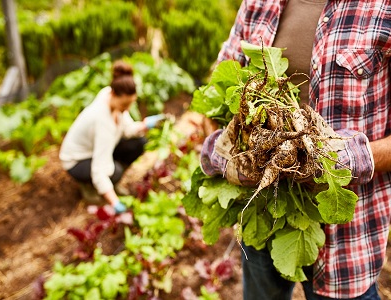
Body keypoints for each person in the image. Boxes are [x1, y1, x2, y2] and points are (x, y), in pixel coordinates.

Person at [200, 0, 391, 299]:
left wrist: (341, 158)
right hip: (263, 213)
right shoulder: (260, 2)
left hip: (348, 238)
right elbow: (219, 88)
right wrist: (225, 150)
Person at [59, 60, 165, 214]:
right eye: (124, 105)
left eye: (129, 104)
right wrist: (115, 202)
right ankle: (89, 188)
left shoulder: (109, 95)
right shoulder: (102, 122)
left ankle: (110, 182)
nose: (126, 109)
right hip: (76, 160)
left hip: (94, 149)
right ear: (115, 95)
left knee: (138, 143)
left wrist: (145, 124)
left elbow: (127, 129)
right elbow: (98, 170)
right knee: (114, 172)